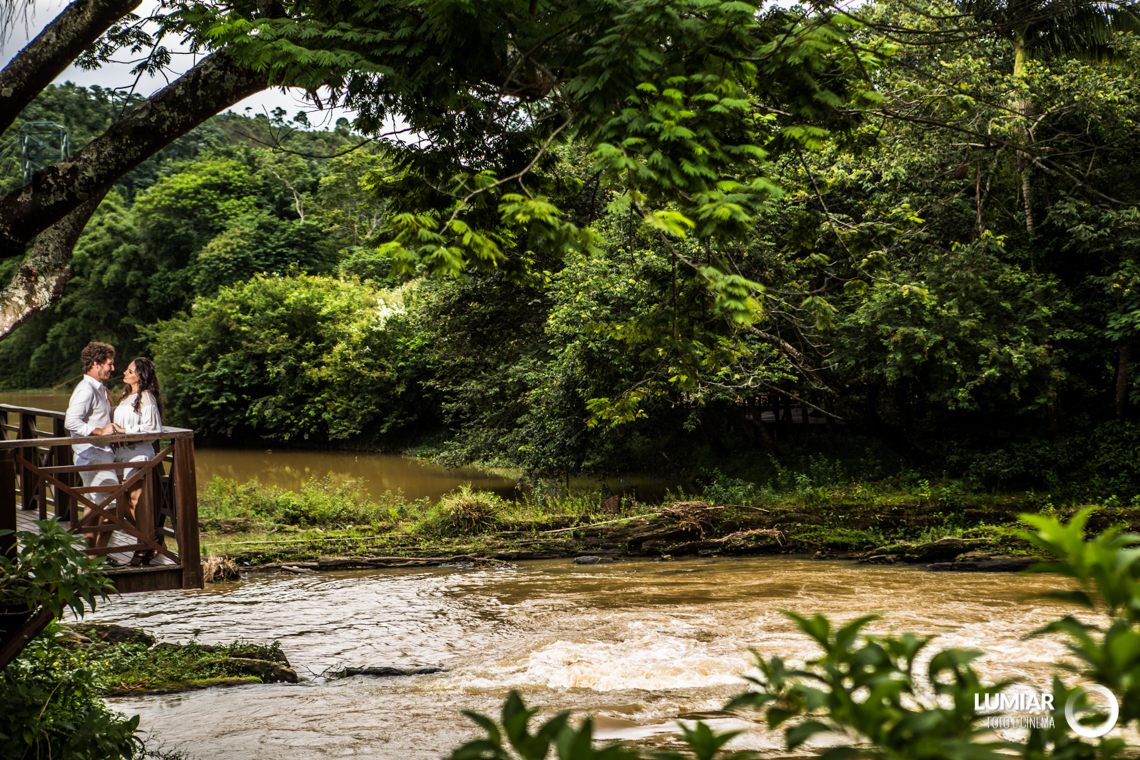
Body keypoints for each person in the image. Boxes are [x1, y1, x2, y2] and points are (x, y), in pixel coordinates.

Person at [64, 341, 119, 561]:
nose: (112, 368)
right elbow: (71, 421)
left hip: (99, 455)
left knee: (95, 504)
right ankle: (99, 555)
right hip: (92, 455)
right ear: (96, 364)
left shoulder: (99, 389)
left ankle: (92, 556)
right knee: (111, 505)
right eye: (109, 363)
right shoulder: (86, 389)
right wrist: (99, 431)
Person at [113, 357, 165, 566]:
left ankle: (141, 549)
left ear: (139, 375)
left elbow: (154, 430)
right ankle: (152, 539)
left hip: (138, 453)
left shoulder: (147, 397)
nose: (125, 373)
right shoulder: (127, 396)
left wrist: (125, 431)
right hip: (120, 454)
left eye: (129, 371)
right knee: (118, 501)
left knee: (136, 501)